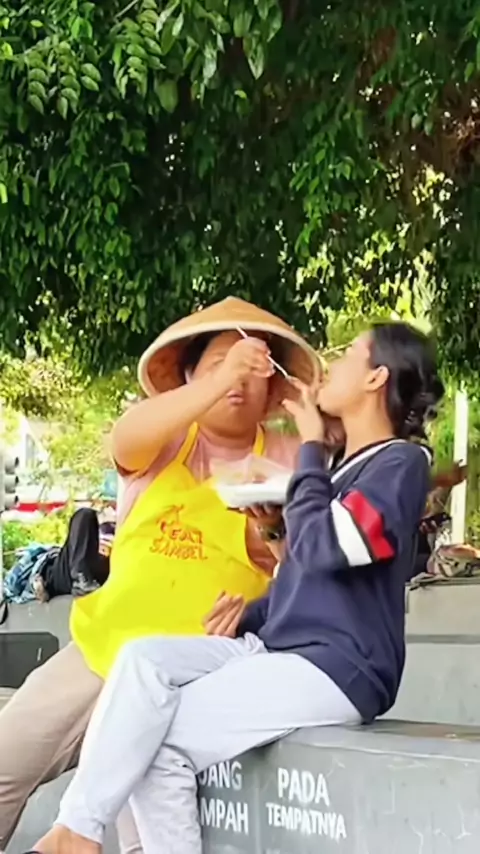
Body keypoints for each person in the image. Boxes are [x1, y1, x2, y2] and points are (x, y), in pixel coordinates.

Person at [32, 321, 444, 854]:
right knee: (143, 660)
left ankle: (76, 836)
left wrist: (310, 448)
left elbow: (324, 547)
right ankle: (77, 828)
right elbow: (308, 576)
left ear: (375, 378)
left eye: (348, 357)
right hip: (284, 651)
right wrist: (250, 600)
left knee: (159, 747)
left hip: (337, 666)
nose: (333, 367)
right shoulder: (343, 472)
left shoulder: (400, 463)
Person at [0, 297, 320, 850]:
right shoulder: (166, 440)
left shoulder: (292, 461)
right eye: (218, 364)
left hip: (193, 677)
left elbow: (311, 569)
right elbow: (125, 437)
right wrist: (221, 379)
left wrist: (255, 605)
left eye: (254, 367)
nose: (238, 378)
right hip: (101, 651)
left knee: (142, 832)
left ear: (274, 390)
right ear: (189, 377)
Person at [32, 508, 114, 602]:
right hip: (71, 568)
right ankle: (81, 576)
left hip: (106, 571)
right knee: (84, 515)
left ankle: (82, 578)